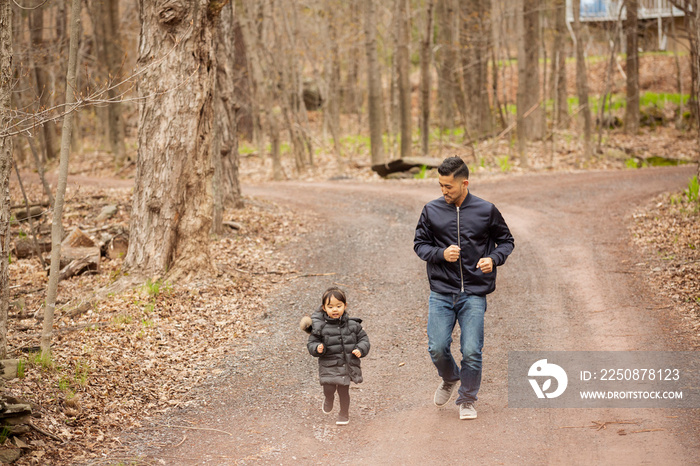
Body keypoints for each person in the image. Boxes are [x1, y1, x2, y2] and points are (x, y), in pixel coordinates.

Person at [413, 156, 514, 420]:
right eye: (440, 185)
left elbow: (506, 241)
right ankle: (450, 377)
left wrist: (493, 259)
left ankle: (467, 400)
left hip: (474, 293)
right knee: (436, 346)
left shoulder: (486, 210)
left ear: (464, 183)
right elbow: (419, 245)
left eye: (448, 186)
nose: (443, 191)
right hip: (442, 291)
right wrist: (440, 254)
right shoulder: (431, 210)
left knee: (471, 350)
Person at [301, 287, 370, 425]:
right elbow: (312, 343)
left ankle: (344, 414)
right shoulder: (319, 327)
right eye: (330, 306)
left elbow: (364, 340)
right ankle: (329, 399)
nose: (335, 310)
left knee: (344, 391)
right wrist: (317, 348)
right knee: (329, 388)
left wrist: (360, 349)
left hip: (346, 365)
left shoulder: (353, 325)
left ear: (345, 306)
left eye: (339, 306)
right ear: (324, 308)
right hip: (329, 365)